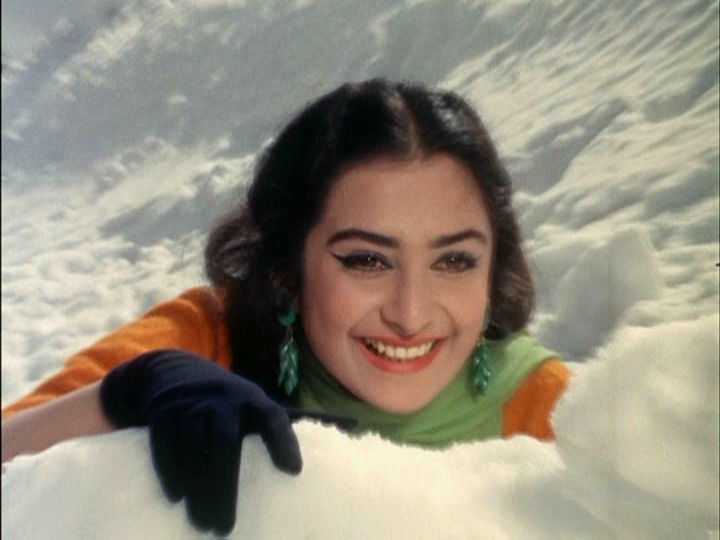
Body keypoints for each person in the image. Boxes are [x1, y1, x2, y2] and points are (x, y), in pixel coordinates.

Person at [1, 79, 570, 535]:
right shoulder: (206, 339)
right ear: (287, 272)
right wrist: (124, 394)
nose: (411, 314)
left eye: (455, 261)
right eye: (367, 260)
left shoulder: (548, 410)